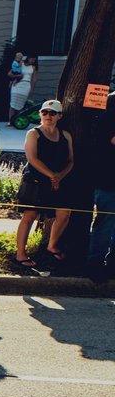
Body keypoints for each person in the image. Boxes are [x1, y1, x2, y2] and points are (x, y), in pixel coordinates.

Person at [13, 99, 75, 271]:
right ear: (40, 114)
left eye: (52, 113)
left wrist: (59, 177)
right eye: (45, 112)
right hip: (36, 180)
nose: (48, 116)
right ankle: (20, 254)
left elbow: (70, 160)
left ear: (59, 116)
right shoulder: (33, 133)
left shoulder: (65, 135)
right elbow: (32, 158)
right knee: (29, 216)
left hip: (59, 180)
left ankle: (52, 245)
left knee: (64, 212)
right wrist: (51, 175)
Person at [83, 104, 115, 282]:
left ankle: (112, 265)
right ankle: (95, 265)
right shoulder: (109, 110)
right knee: (105, 223)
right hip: (108, 179)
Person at [9, 53, 36, 124]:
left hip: (26, 85)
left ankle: (18, 121)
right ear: (28, 58)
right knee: (13, 103)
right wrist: (17, 76)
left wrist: (32, 89)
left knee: (21, 105)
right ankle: (10, 121)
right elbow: (10, 73)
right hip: (17, 84)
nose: (33, 60)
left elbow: (33, 80)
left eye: (34, 59)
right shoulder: (21, 64)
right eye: (32, 58)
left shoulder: (33, 68)